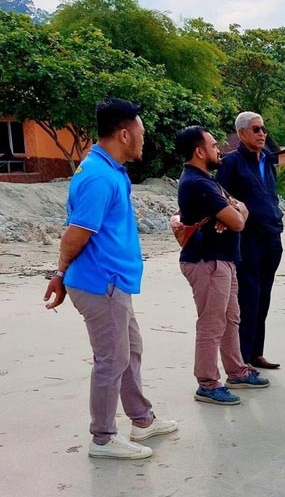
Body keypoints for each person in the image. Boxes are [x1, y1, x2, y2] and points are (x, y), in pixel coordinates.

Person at [42, 99, 177, 460]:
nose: (144, 139)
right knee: (112, 360)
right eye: (141, 133)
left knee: (130, 351)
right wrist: (59, 274)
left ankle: (142, 419)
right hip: (101, 283)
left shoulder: (111, 169)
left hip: (114, 281)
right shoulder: (99, 177)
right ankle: (102, 438)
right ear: (124, 134)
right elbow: (75, 234)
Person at [175, 126, 270, 406]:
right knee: (212, 323)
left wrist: (233, 209)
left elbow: (242, 208)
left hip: (223, 260)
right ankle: (207, 383)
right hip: (207, 261)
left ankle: (237, 371)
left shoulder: (207, 181)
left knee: (230, 319)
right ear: (199, 151)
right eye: (214, 145)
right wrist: (233, 212)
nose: (219, 150)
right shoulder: (198, 184)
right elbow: (239, 221)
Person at [216, 112, 284, 369]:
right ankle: (242, 359)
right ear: (241, 133)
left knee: (263, 297)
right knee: (248, 298)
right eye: (256, 129)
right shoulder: (231, 163)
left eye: (263, 129)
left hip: (271, 237)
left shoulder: (267, 160)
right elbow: (221, 197)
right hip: (247, 240)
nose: (262, 134)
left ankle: (256, 353)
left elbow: (270, 195)